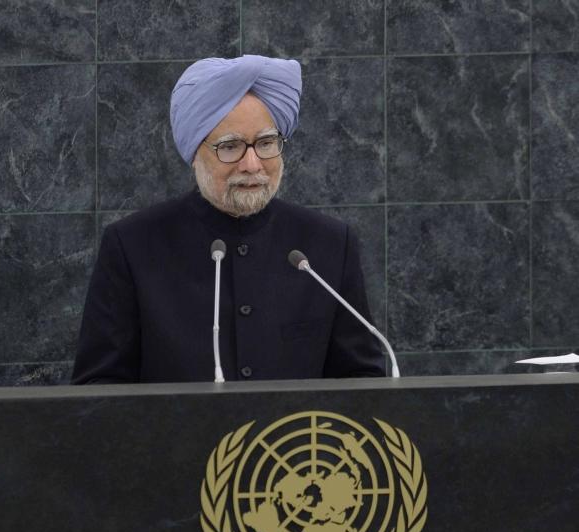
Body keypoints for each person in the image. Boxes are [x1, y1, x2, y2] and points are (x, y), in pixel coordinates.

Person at [72, 55, 385, 384]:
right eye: (230, 146)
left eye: (266, 143)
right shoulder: (132, 246)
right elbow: (98, 390)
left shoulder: (328, 244)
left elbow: (362, 380)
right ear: (196, 153)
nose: (252, 164)